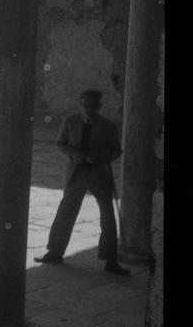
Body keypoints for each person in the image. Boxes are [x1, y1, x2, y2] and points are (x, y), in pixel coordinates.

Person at [35, 89, 130, 275]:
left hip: (99, 174)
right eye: (86, 105)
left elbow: (116, 150)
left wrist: (100, 156)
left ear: (99, 106)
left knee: (108, 216)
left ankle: (111, 259)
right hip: (76, 173)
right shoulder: (70, 122)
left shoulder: (108, 126)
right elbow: (60, 143)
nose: (90, 109)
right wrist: (73, 154)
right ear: (81, 105)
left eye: (94, 106)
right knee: (66, 211)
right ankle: (54, 252)